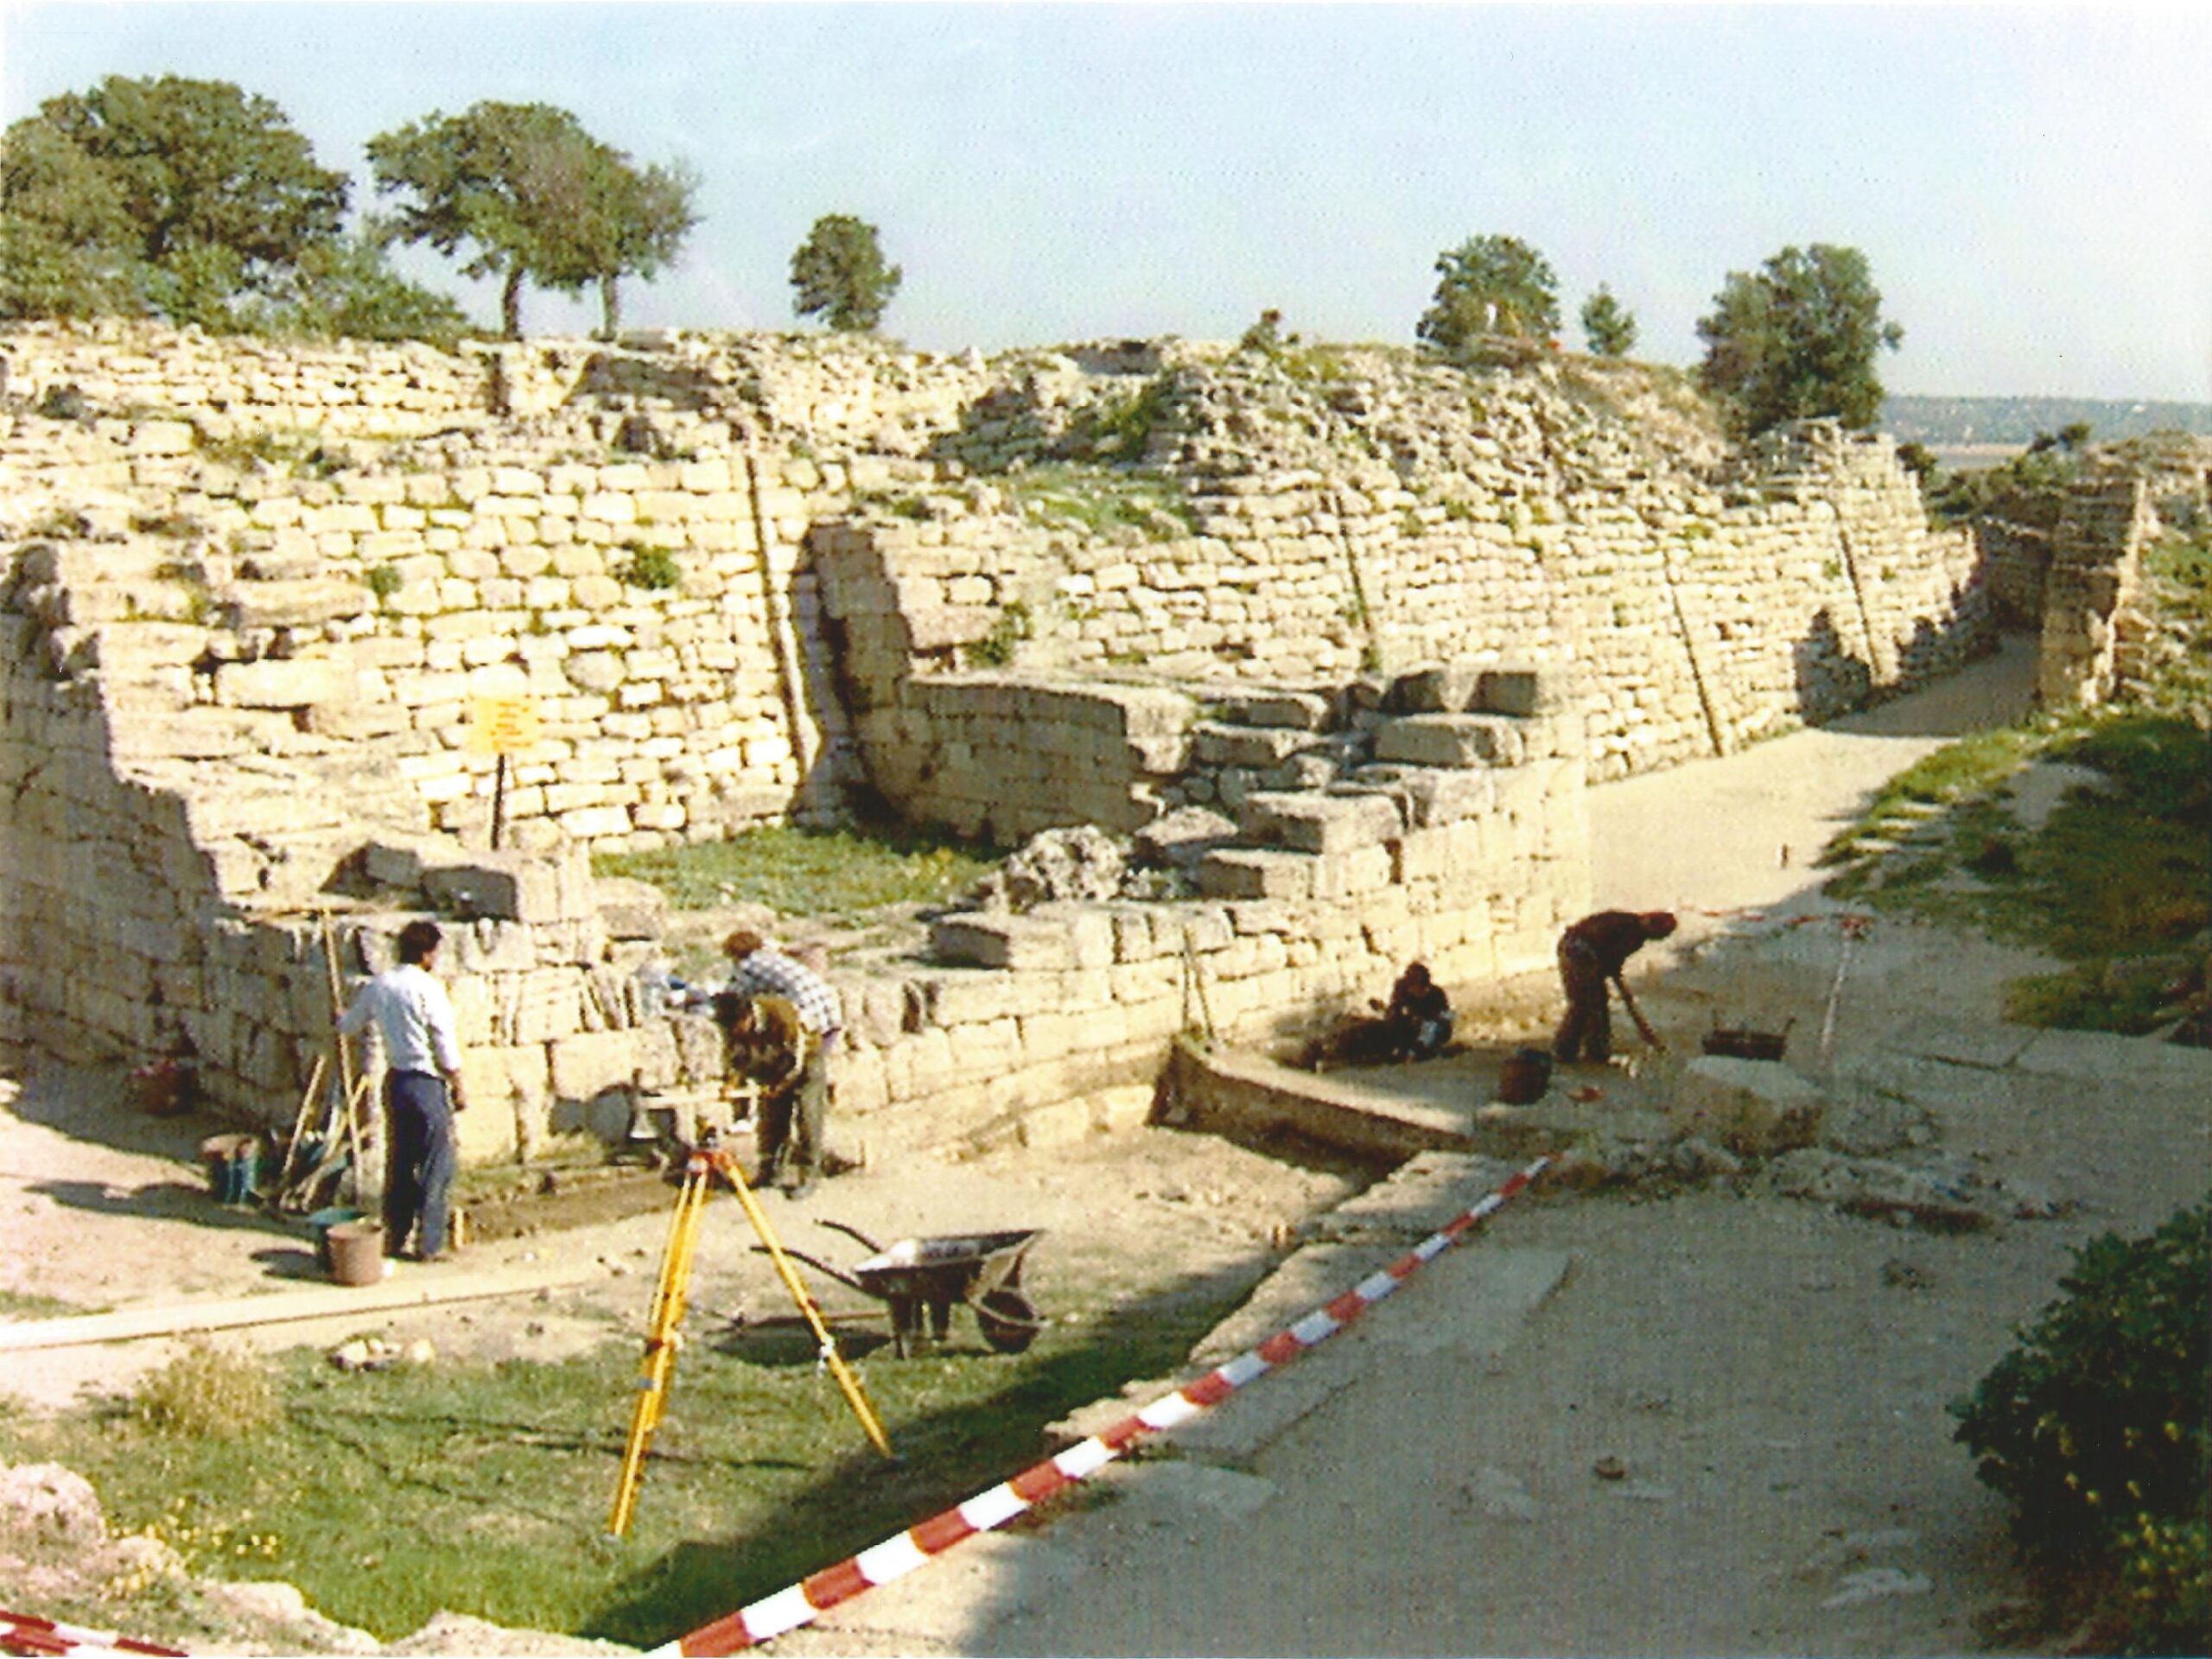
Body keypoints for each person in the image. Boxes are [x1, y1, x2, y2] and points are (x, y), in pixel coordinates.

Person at [338, 918, 467, 1262]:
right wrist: (458, 1084)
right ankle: (429, 1244)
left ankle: (395, 1236)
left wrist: (339, 1014)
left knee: (400, 1162)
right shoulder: (428, 988)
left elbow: (349, 1025)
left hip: (396, 1083)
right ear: (427, 953)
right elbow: (444, 1042)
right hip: (426, 1083)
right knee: (436, 1165)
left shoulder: (380, 985)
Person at [717, 930, 842, 1196]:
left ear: (748, 1015)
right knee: (771, 1113)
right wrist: (734, 1082)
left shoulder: (784, 1014)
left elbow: (797, 1059)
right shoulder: (741, 1022)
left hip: (810, 1045)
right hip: (781, 1054)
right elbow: (734, 1056)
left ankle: (808, 1175)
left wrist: (781, 1084)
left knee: (808, 1112)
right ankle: (770, 1171)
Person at [1553, 910, 1677, 1063]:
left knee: (1596, 1003)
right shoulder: (1628, 928)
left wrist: (1613, 974)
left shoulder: (1636, 936)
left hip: (1585, 955)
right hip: (1578, 953)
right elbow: (1605, 953)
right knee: (1583, 1003)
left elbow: (1614, 960)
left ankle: (1595, 1050)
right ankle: (1567, 1050)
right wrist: (1606, 972)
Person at [1379, 961, 1453, 1061]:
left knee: (1431, 1028)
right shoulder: (1404, 993)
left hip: (1432, 1030)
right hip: (1410, 1030)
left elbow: (1448, 1017)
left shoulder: (1436, 994)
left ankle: (1420, 1051)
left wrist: (1430, 1019)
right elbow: (1394, 1012)